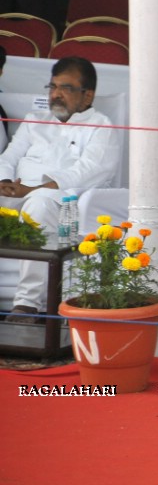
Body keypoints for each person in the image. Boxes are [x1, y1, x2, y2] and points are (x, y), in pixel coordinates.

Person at [0, 57, 120, 322]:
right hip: (17, 193)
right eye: (53, 86)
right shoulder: (35, 120)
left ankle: (26, 305)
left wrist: (33, 189)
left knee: (39, 204)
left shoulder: (101, 126)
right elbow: (8, 158)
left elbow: (88, 172)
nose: (55, 94)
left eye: (65, 88)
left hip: (63, 203)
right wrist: (4, 183)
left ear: (87, 95)